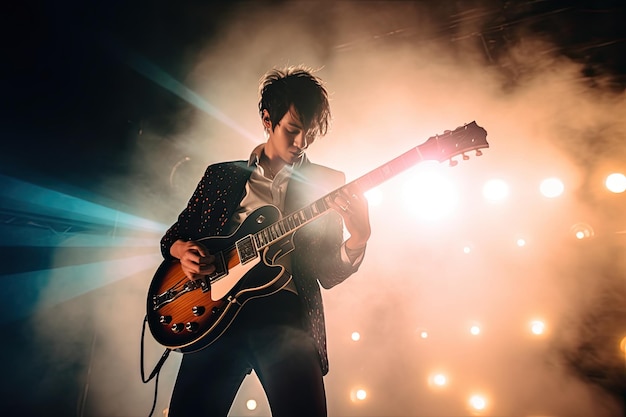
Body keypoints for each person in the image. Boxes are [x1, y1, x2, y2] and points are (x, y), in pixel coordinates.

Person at [159, 65, 371, 417]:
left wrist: (359, 239)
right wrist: (184, 252)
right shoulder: (221, 175)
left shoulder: (326, 183)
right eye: (293, 130)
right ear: (266, 120)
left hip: (285, 317)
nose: (301, 142)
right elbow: (174, 236)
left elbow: (327, 273)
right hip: (215, 315)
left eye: (311, 133)